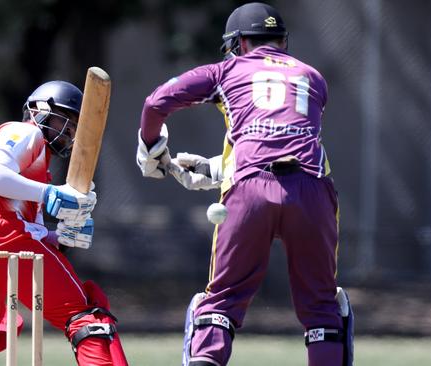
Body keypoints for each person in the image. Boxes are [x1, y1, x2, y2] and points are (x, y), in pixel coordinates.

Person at [136, 3, 353, 366]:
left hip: (250, 190)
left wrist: (151, 147)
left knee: (220, 302)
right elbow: (289, 143)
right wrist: (216, 169)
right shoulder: (313, 77)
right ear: (283, 41)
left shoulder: (227, 70)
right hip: (314, 190)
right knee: (321, 309)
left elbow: (156, 102)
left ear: (238, 43)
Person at [0, 80, 128, 366]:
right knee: (87, 315)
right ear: (40, 110)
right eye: (65, 122)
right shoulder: (25, 131)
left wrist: (61, 237)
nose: (68, 134)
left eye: (73, 130)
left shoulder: (36, 172)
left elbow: (32, 231)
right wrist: (51, 193)